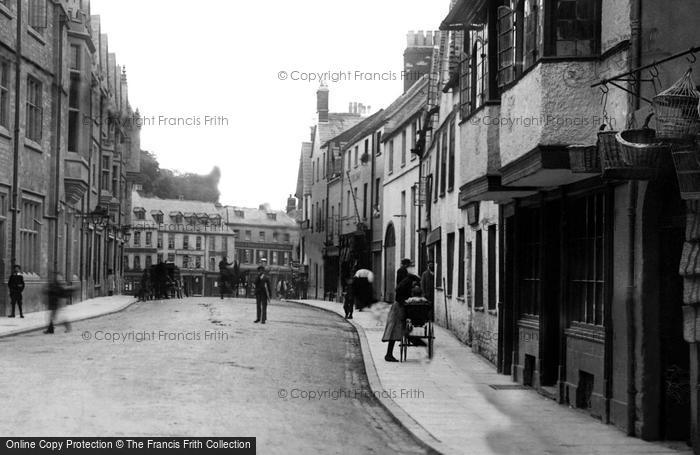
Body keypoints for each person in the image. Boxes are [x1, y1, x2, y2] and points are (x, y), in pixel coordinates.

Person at [382, 261, 420, 362]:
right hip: (398, 308)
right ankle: (388, 354)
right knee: (394, 330)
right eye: (414, 284)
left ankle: (390, 353)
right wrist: (405, 301)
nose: (414, 286)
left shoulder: (405, 283)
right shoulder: (404, 285)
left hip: (399, 307)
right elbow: (399, 296)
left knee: (399, 328)